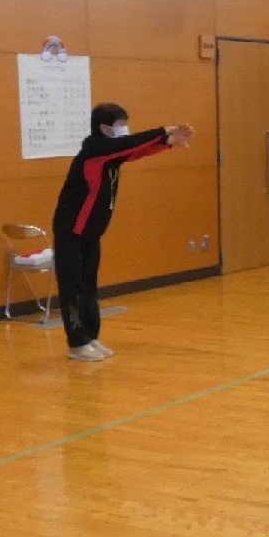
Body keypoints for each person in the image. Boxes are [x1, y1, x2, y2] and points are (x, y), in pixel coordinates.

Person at [52, 104, 193, 362]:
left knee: (89, 287)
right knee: (72, 287)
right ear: (104, 128)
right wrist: (164, 131)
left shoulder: (111, 155)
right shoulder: (94, 150)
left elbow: (134, 151)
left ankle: (90, 338)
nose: (124, 130)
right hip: (71, 232)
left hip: (91, 233)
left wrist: (167, 143)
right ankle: (76, 343)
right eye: (120, 125)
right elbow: (130, 144)